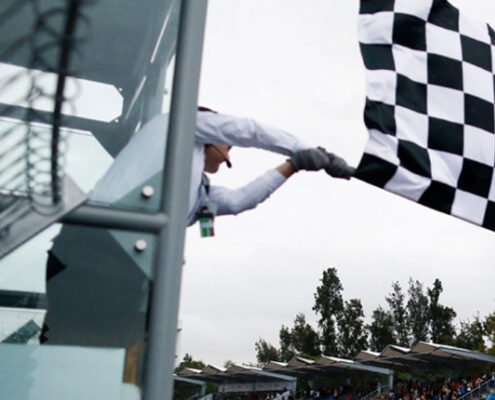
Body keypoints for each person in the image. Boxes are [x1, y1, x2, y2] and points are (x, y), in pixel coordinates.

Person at [41, 108, 355, 384]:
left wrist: (294, 165)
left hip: (124, 268)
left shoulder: (195, 187)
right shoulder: (181, 124)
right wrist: (311, 151)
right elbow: (249, 131)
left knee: (110, 358)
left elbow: (238, 200)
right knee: (77, 351)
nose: (231, 149)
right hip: (96, 251)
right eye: (227, 145)